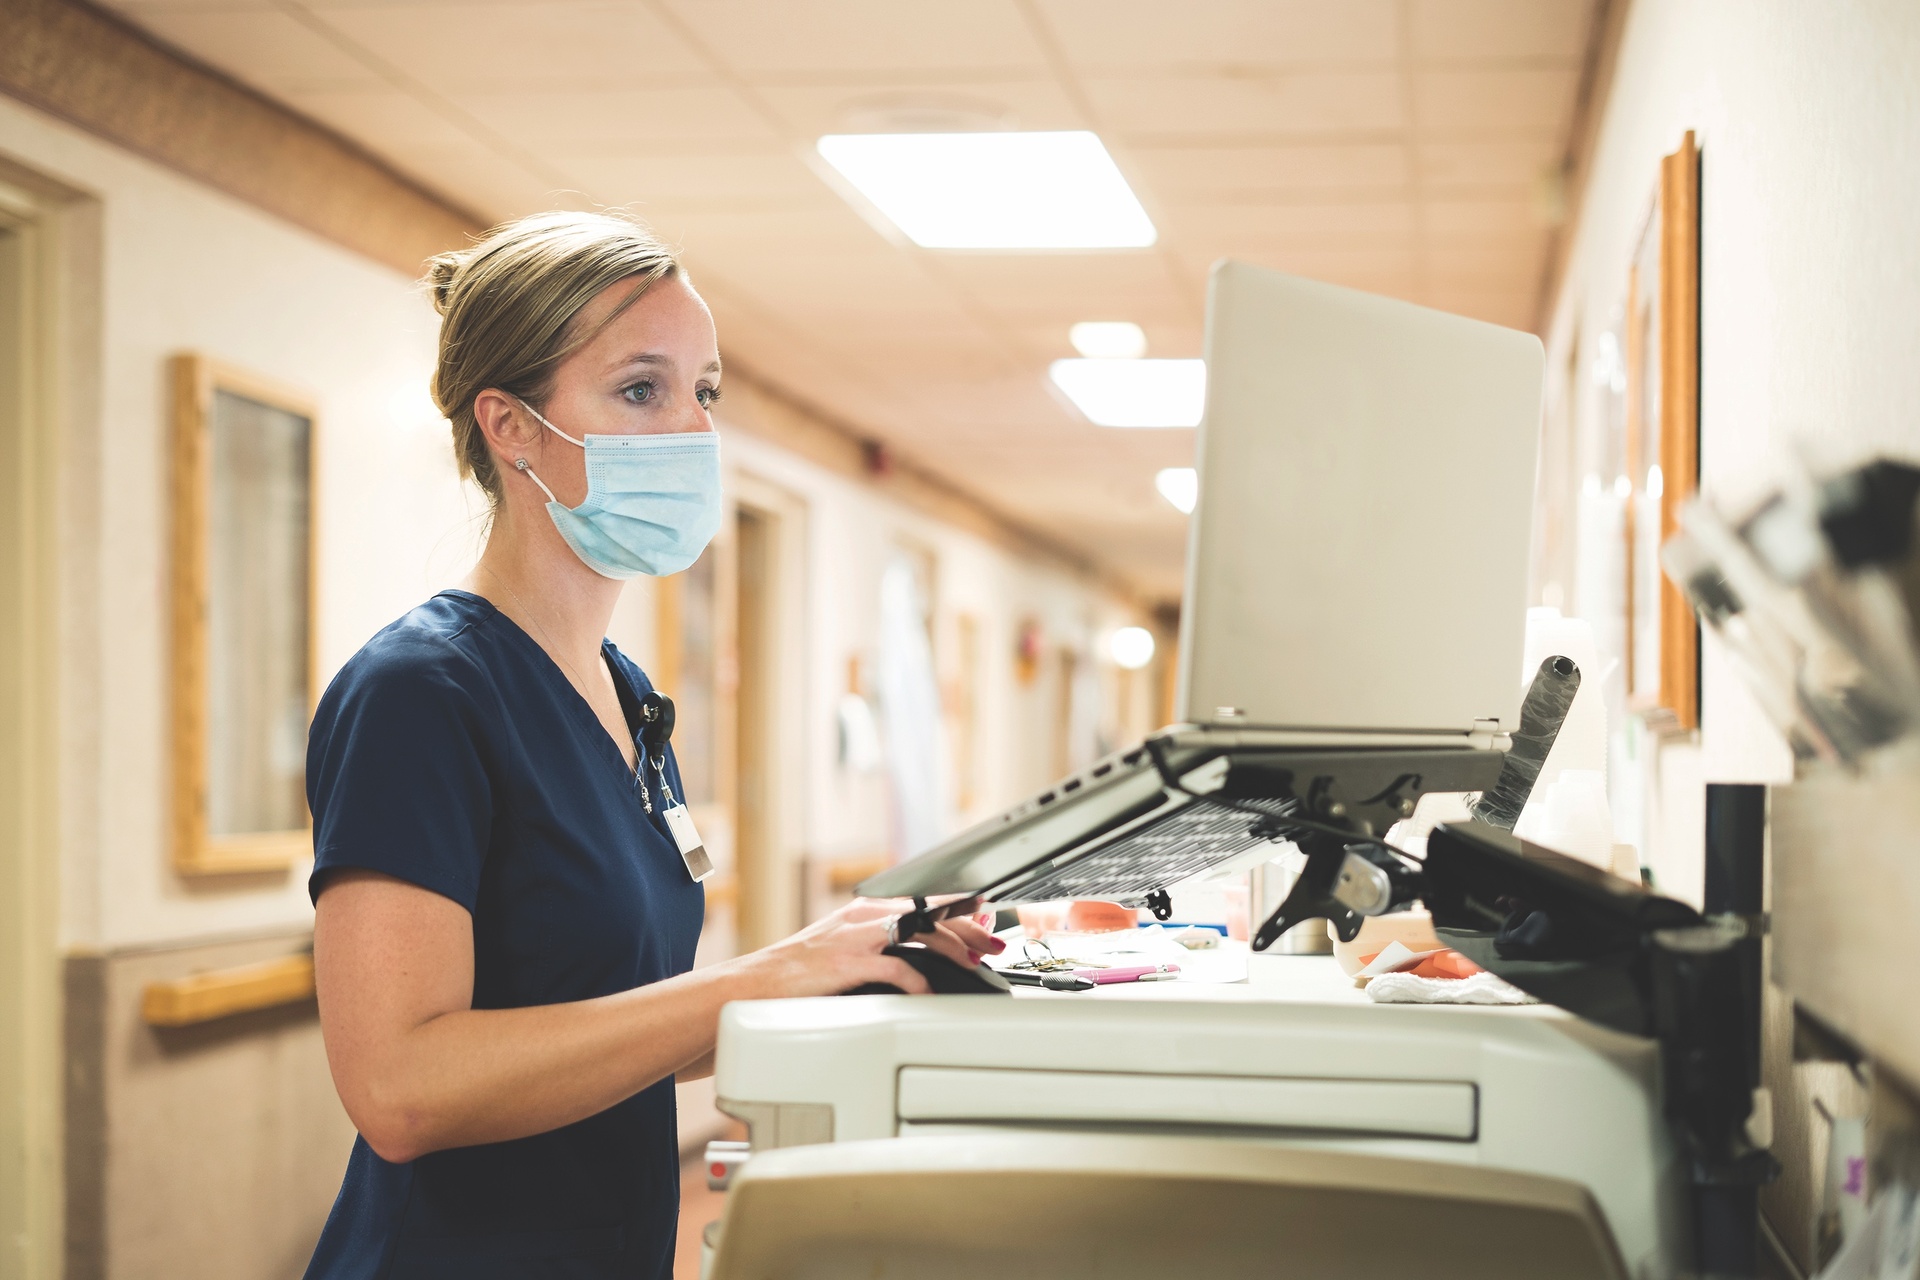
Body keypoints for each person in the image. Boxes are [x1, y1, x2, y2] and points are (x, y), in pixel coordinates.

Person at [302, 210, 1001, 1279]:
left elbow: (610, 1026)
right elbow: (400, 1088)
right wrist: (771, 971)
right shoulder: (422, 693)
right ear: (513, 426)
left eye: (704, 390)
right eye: (641, 389)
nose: (691, 429)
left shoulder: (630, 701)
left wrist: (854, 965)